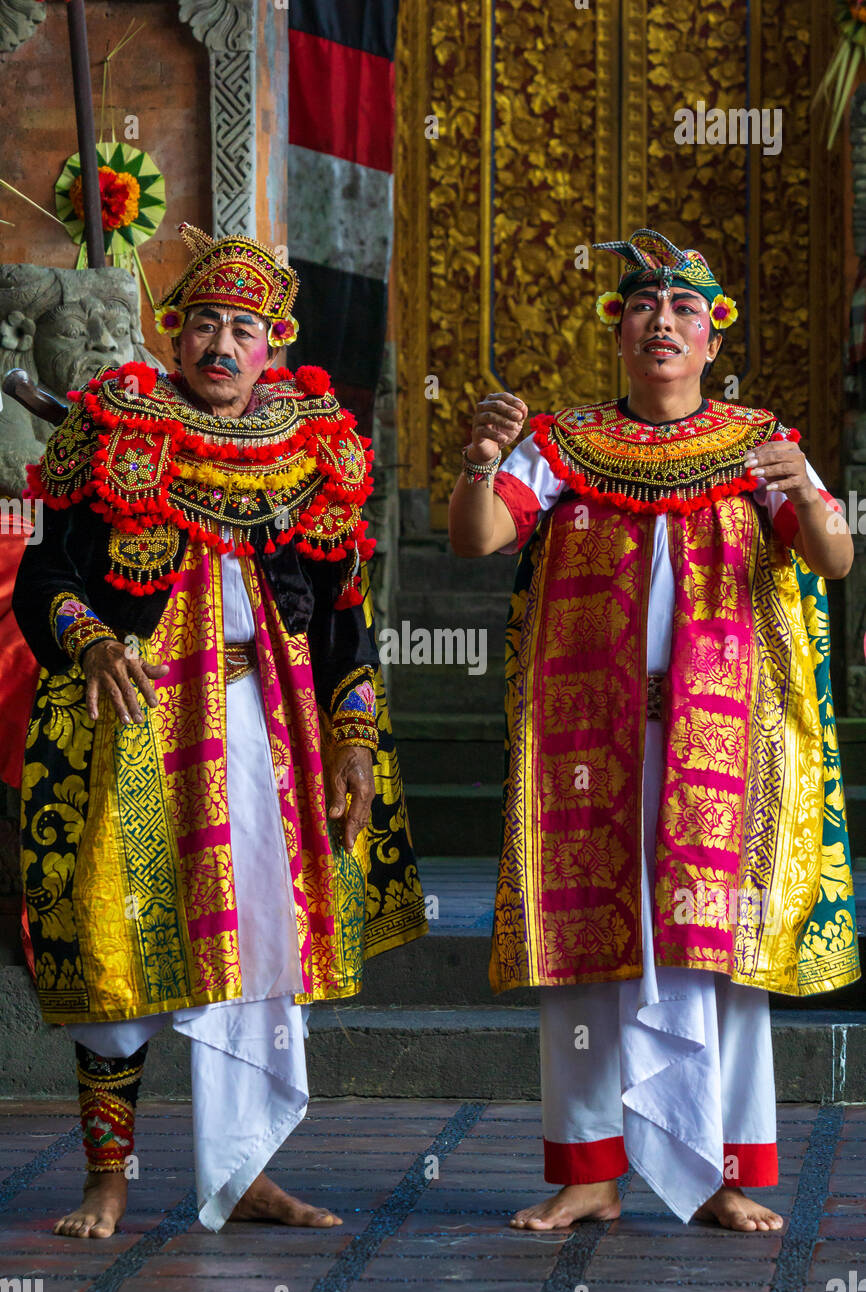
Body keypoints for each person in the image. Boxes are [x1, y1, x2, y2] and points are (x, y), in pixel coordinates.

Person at [11, 222, 426, 1238]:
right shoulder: (114, 428)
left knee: (263, 951)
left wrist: (354, 738)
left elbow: (341, 613)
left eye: (242, 328)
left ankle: (242, 1171)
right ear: (172, 331)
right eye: (202, 323)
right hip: (134, 726)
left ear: (272, 342)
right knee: (118, 947)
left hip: (265, 733)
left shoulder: (308, 443)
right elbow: (44, 577)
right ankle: (107, 1177)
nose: (220, 346)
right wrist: (92, 639)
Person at [449, 228, 859, 1233]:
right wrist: (479, 460)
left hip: (719, 744)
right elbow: (479, 536)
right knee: (585, 957)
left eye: (683, 309)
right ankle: (588, 1172)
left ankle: (720, 1172)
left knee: (712, 955)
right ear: (616, 330)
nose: (661, 321)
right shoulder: (562, 445)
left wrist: (801, 490)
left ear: (712, 337)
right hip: (586, 746)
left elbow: (833, 561)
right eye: (642, 306)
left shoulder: (758, 440)